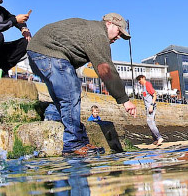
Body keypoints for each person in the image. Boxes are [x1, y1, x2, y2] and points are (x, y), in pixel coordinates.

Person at [26, 13, 138, 156]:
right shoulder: (98, 34)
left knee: (64, 91)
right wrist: (124, 99)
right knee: (71, 92)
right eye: (119, 31)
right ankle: (73, 143)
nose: (119, 37)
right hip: (48, 51)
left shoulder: (90, 29)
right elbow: (105, 69)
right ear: (109, 23)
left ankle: (53, 117)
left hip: (36, 52)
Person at [136, 74, 163, 146]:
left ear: (143, 78)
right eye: (138, 80)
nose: (139, 81)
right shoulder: (143, 87)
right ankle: (156, 139)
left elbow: (154, 95)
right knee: (150, 122)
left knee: (150, 122)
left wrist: (151, 105)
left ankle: (159, 138)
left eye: (140, 80)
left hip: (151, 106)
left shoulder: (147, 85)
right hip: (148, 107)